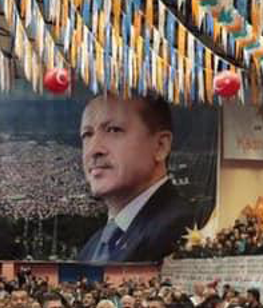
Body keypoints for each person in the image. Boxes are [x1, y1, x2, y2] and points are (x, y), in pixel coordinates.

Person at [77, 92, 198, 263]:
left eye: (114, 130)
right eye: (87, 135)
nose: (94, 150)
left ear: (160, 146)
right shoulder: (92, 247)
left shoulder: (179, 230)